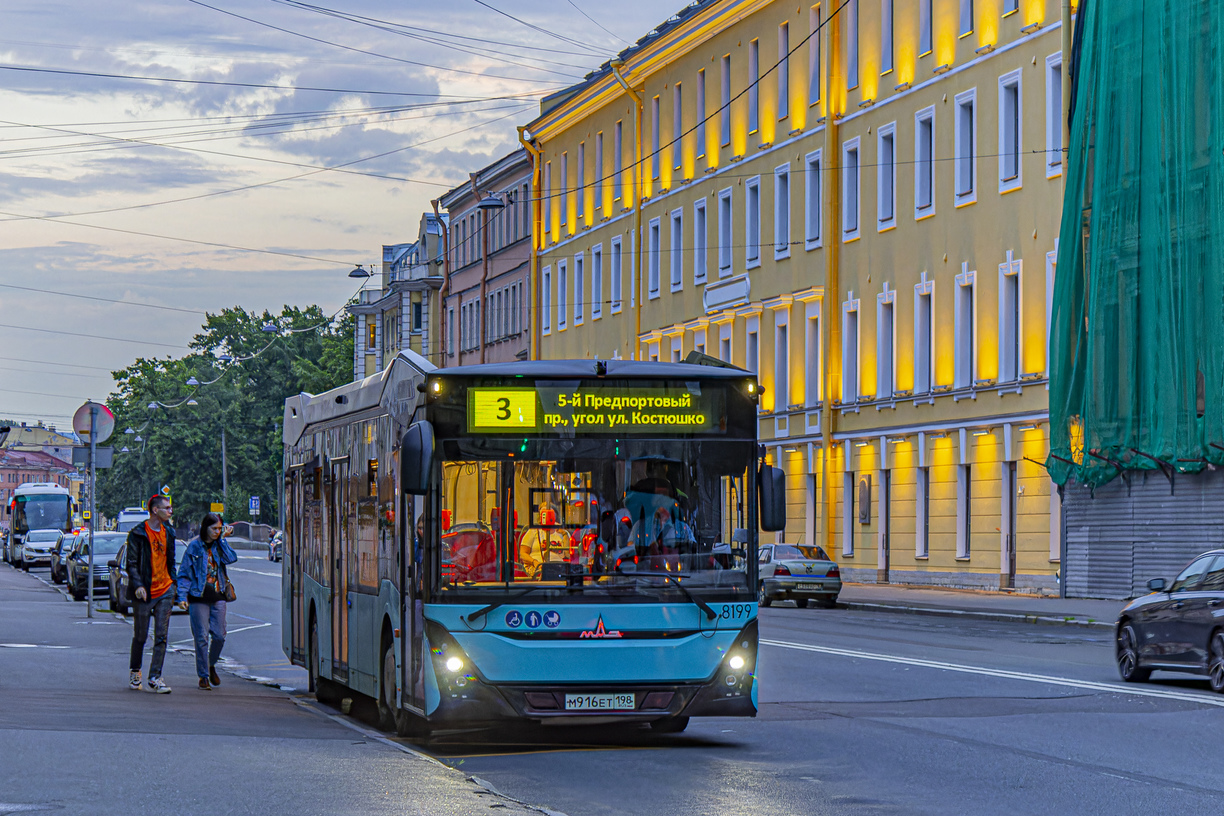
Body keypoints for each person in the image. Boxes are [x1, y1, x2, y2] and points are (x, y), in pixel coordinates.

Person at [176, 512, 238, 691]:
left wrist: (223, 540)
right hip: (198, 596)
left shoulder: (219, 545)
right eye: (214, 529)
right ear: (205, 528)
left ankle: (211, 665)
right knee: (201, 637)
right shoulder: (195, 547)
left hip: (218, 595)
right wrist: (181, 597)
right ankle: (203, 676)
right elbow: (184, 574)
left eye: (220, 529)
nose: (217, 532)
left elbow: (231, 558)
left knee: (219, 635)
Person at [125, 495, 180, 693]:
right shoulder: (138, 533)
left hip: (165, 589)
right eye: (167, 508)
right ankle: (135, 671)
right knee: (140, 635)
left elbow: (171, 561)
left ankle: (155, 677)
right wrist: (138, 585)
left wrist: (174, 585)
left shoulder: (170, 533)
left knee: (161, 636)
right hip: (145, 592)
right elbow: (131, 563)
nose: (170, 511)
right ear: (156, 510)